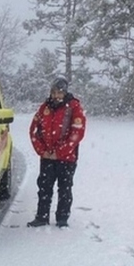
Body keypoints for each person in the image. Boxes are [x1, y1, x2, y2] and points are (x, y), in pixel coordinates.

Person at [27, 76, 86, 227]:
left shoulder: (74, 107)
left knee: (65, 189)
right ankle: (42, 217)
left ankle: (62, 219)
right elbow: (34, 130)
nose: (56, 96)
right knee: (44, 188)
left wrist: (59, 153)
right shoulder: (44, 108)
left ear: (65, 92)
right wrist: (42, 151)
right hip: (47, 157)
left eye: (59, 92)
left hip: (67, 158)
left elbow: (77, 134)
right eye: (54, 92)